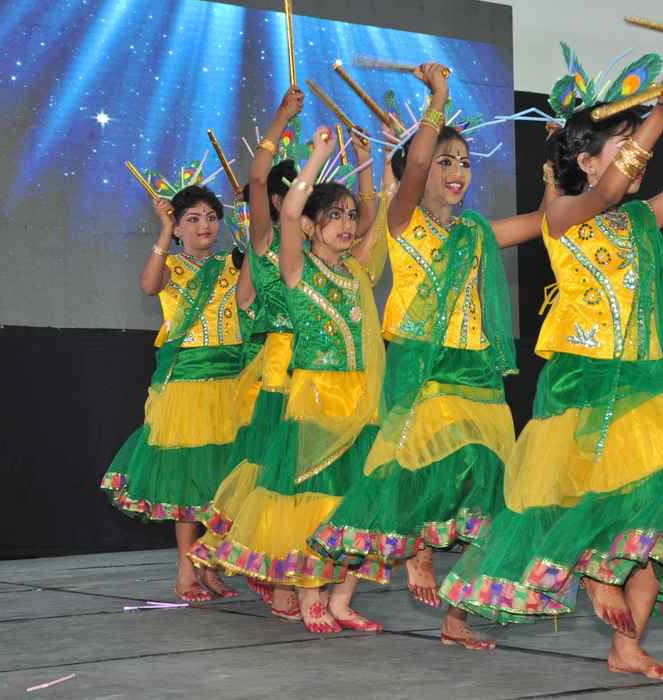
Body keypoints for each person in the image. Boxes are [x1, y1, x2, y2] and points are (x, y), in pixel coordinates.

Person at [440, 28, 663, 680]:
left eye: (637, 141)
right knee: (574, 507)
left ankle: (627, 646)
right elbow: (604, 194)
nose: (638, 152)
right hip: (582, 386)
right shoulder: (566, 216)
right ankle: (591, 568)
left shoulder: (645, 218)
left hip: (646, 387)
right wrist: (661, 113)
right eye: (622, 143)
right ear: (589, 162)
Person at [310, 62, 551, 650]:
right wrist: (438, 99)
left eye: (464, 162)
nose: (457, 172)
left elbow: (547, 222)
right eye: (445, 161)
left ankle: (457, 616)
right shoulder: (403, 222)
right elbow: (414, 166)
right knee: (416, 471)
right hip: (423, 369)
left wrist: (556, 170)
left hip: (477, 372)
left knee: (491, 488)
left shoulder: (475, 233)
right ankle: (415, 551)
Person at [190, 126, 385, 633]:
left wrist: (373, 163)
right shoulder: (299, 271)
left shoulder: (356, 273)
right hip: (313, 396)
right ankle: (309, 593)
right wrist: (318, 156)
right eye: (334, 216)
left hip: (358, 400)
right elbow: (291, 211)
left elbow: (379, 213)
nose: (347, 224)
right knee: (310, 501)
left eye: (350, 216)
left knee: (353, 503)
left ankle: (342, 600)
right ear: (311, 226)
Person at [101, 182, 245, 603]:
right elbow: (149, 286)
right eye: (193, 219)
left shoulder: (233, 264)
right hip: (186, 384)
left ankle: (210, 564)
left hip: (232, 382)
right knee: (188, 479)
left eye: (212, 217)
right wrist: (163, 231)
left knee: (224, 479)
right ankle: (185, 571)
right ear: (178, 227)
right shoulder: (171, 266)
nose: (205, 225)